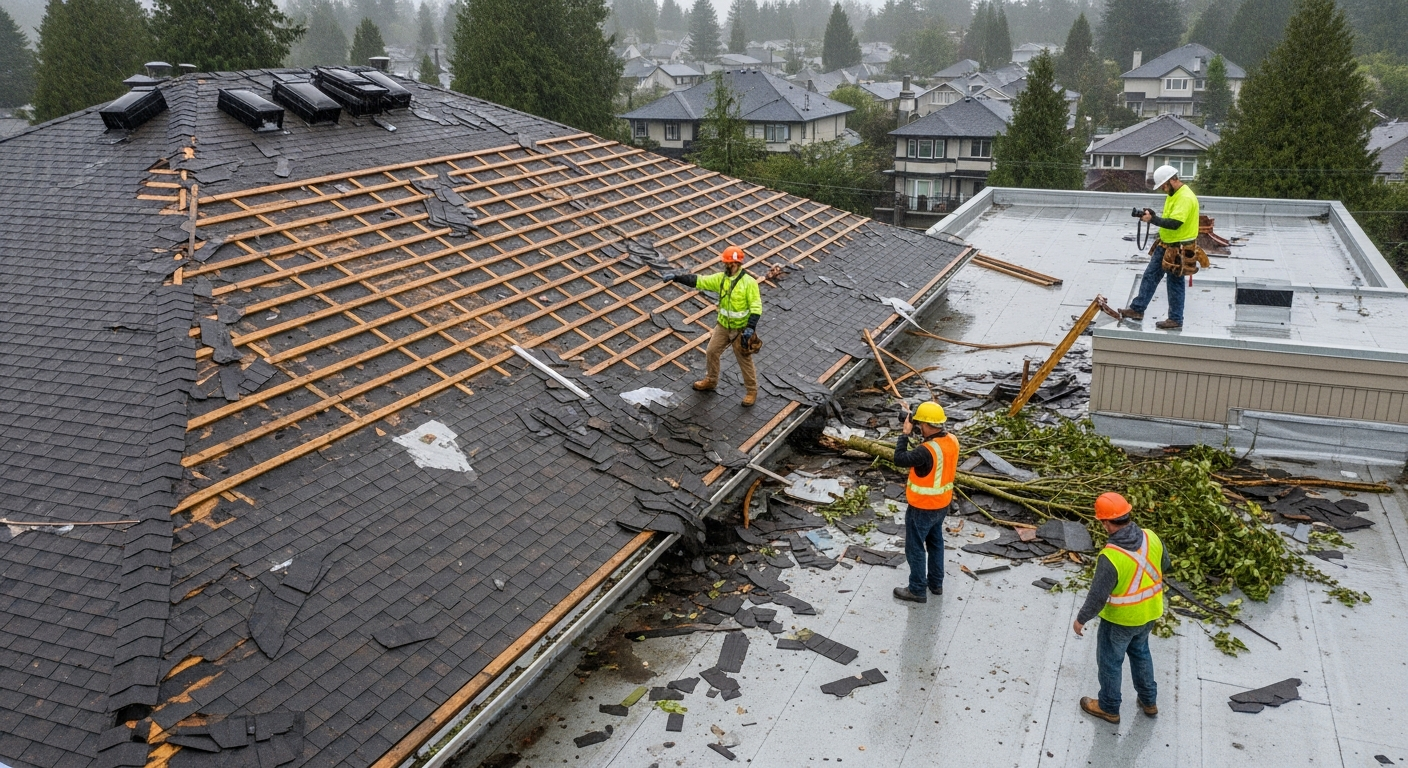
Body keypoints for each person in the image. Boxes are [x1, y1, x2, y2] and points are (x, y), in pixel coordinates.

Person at [1072, 492, 1172, 724]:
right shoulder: (1151, 537)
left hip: (1120, 620)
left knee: (1110, 662)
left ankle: (1108, 707)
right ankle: (1149, 701)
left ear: (1106, 522)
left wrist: (1081, 619)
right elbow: (1165, 564)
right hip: (1150, 613)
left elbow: (1097, 597)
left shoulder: (1111, 557)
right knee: (1141, 654)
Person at [663, 246, 763, 406]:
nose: (726, 265)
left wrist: (750, 327)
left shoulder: (748, 283)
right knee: (711, 351)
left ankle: (751, 391)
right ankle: (711, 380)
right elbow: (700, 281)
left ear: (736, 263)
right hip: (723, 326)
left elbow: (756, 306)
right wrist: (677, 278)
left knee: (744, 360)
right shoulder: (721, 279)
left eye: (728, 263)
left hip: (740, 330)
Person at [890, 401, 958, 603]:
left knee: (915, 547)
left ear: (927, 425)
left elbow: (900, 459)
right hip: (942, 504)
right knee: (936, 543)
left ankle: (917, 589)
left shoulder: (926, 450)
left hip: (922, 507)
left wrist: (905, 434)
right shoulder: (952, 440)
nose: (918, 427)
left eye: (920, 424)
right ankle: (936, 584)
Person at [1119, 164, 1200, 330]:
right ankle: (1137, 309)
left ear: (1172, 180)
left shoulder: (1185, 197)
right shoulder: (1174, 194)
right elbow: (1169, 218)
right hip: (1167, 245)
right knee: (1150, 276)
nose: (1163, 189)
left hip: (1178, 249)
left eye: (1163, 185)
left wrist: (1152, 220)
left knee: (1175, 283)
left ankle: (1176, 319)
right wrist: (1154, 216)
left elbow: (1175, 223)